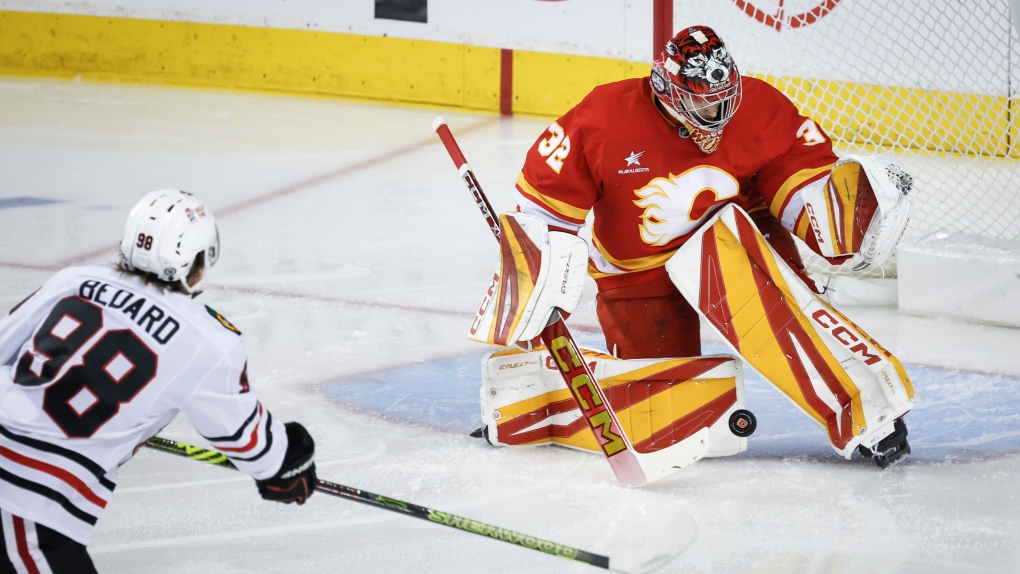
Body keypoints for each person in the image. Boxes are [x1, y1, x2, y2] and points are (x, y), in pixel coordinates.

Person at [478, 25, 915, 469]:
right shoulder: (603, 118)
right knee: (662, 400)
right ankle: (530, 399)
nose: (718, 110)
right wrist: (543, 284)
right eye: (702, 100)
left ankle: (870, 416)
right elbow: (544, 211)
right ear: (665, 90)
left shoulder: (760, 107)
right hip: (636, 272)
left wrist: (836, 218)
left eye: (723, 96)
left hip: (732, 245)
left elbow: (797, 178)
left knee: (792, 320)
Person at [0, 189, 317, 572]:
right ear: (195, 262)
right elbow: (244, 438)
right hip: (26, 501)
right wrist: (287, 462)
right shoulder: (208, 339)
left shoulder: (73, 280)